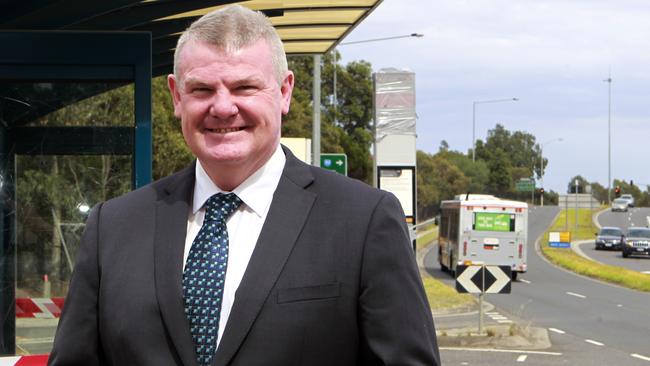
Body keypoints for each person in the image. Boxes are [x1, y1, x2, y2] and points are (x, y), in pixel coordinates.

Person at [49, 4, 440, 366]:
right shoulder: (113, 227)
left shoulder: (364, 221)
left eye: (244, 88)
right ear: (176, 96)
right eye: (202, 89)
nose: (222, 107)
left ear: (284, 91)